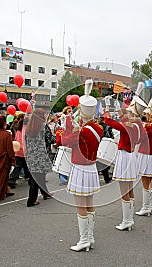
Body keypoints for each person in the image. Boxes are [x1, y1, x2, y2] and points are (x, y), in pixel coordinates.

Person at [61, 80, 103, 252]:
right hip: (91, 168)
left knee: (81, 207)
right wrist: (73, 123)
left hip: (80, 169)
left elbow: (64, 140)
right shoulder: (97, 128)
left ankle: (84, 239)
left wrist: (67, 125)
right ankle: (90, 237)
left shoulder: (82, 131)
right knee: (90, 204)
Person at [104, 96, 141, 231]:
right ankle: (129, 219)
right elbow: (122, 118)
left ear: (132, 113)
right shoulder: (137, 125)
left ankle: (127, 220)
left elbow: (108, 120)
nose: (126, 113)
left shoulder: (128, 125)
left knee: (124, 190)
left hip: (125, 157)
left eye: (128, 112)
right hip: (131, 156)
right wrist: (117, 107)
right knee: (130, 189)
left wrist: (107, 106)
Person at [135, 88, 152, 216]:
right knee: (150, 180)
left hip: (146, 155)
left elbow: (139, 139)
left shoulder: (149, 126)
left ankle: (146, 207)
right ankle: (150, 205)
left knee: (145, 181)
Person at [25, 109, 53, 207]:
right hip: (42, 155)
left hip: (31, 155)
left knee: (38, 176)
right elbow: (50, 139)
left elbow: (26, 142)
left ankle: (45, 193)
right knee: (37, 178)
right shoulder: (44, 127)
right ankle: (31, 200)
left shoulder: (28, 127)